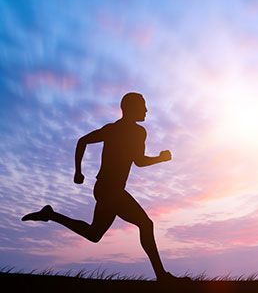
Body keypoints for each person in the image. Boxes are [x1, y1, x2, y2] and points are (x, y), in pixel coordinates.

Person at [22, 92, 188, 282]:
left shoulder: (137, 132)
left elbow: (139, 161)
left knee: (94, 234)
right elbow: (82, 141)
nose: (146, 110)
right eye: (143, 106)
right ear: (131, 108)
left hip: (109, 189)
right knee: (146, 224)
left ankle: (50, 214)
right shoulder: (114, 130)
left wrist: (160, 158)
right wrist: (77, 171)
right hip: (109, 189)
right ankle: (162, 276)